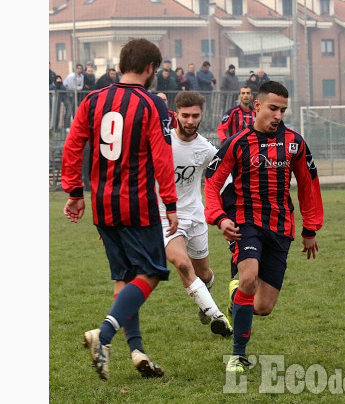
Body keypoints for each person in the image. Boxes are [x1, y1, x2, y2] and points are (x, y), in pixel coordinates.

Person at [61, 38, 178, 380]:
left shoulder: (93, 100)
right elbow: (162, 158)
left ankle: (137, 352)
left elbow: (73, 145)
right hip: (137, 204)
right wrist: (170, 203)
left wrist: (73, 191)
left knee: (125, 278)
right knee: (153, 272)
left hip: (101, 204)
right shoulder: (152, 104)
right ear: (150, 68)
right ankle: (105, 334)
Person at [204, 81, 324, 374]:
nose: (278, 115)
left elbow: (309, 185)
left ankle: (237, 297)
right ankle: (238, 355)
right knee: (248, 279)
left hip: (280, 227)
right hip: (246, 223)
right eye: (273, 108)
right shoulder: (237, 142)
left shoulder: (294, 143)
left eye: (283, 109)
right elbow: (212, 183)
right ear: (256, 106)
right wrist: (220, 218)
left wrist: (310, 230)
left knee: (263, 307)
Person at [160, 90, 233, 338]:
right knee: (181, 263)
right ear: (176, 114)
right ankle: (216, 315)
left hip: (196, 217)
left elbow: (223, 180)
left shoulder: (206, 150)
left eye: (195, 116)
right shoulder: (163, 144)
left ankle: (205, 298)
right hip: (166, 216)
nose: (190, 121)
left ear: (201, 116)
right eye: (185, 115)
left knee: (203, 274)